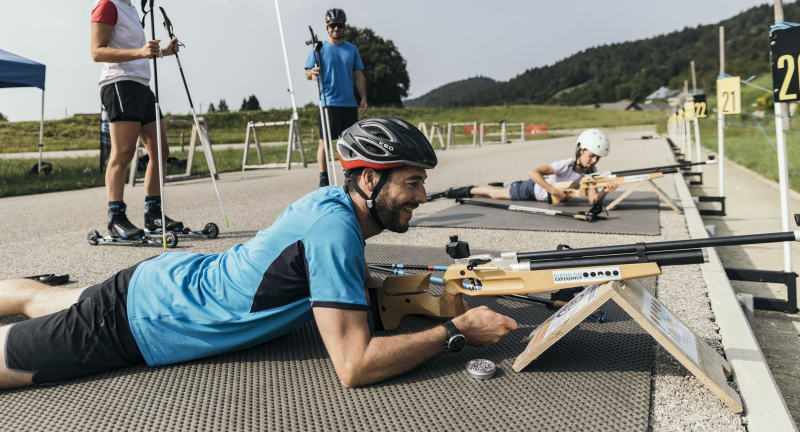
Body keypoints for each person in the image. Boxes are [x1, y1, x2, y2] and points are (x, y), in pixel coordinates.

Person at [0, 117, 516, 390]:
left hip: (161, 280)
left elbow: (324, 270)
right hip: (142, 318)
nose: (422, 197)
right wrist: (456, 333)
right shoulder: (336, 231)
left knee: (43, 298)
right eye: (412, 183)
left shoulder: (336, 206)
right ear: (368, 178)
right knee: (12, 362)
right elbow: (355, 366)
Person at [91, 0, 182, 240]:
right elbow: (97, 52)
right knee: (124, 153)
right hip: (119, 84)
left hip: (141, 84)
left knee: (161, 151)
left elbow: (137, 52)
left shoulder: (129, 7)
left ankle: (154, 214)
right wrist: (142, 51)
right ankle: (115, 218)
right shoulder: (106, 5)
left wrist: (162, 52)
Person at [441, 128, 618, 206]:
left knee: (502, 190)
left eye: (598, 157)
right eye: (591, 155)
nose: (594, 161)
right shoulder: (566, 165)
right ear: (580, 149)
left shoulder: (592, 173)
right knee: (495, 193)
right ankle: (468, 190)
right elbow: (533, 172)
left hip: (544, 197)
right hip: (532, 190)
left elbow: (593, 200)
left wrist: (605, 192)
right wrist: (554, 191)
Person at [305, 8, 369, 187]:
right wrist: (312, 73)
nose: (336, 28)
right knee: (324, 143)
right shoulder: (318, 48)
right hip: (328, 103)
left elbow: (359, 75)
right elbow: (308, 72)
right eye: (333, 25)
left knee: (349, 142)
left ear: (344, 25)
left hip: (349, 104)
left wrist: (363, 97)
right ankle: (323, 178)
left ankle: (350, 176)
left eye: (339, 25)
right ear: (327, 26)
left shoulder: (351, 49)